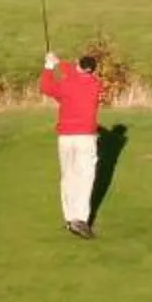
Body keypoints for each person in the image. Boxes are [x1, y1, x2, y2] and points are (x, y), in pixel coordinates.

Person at [39, 49, 105, 238]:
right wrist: (59, 63)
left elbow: (46, 87)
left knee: (68, 176)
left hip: (66, 138)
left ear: (78, 66)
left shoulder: (67, 83)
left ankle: (70, 219)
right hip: (86, 138)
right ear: (93, 71)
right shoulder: (95, 85)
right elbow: (76, 71)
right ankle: (80, 219)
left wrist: (49, 67)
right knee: (85, 177)